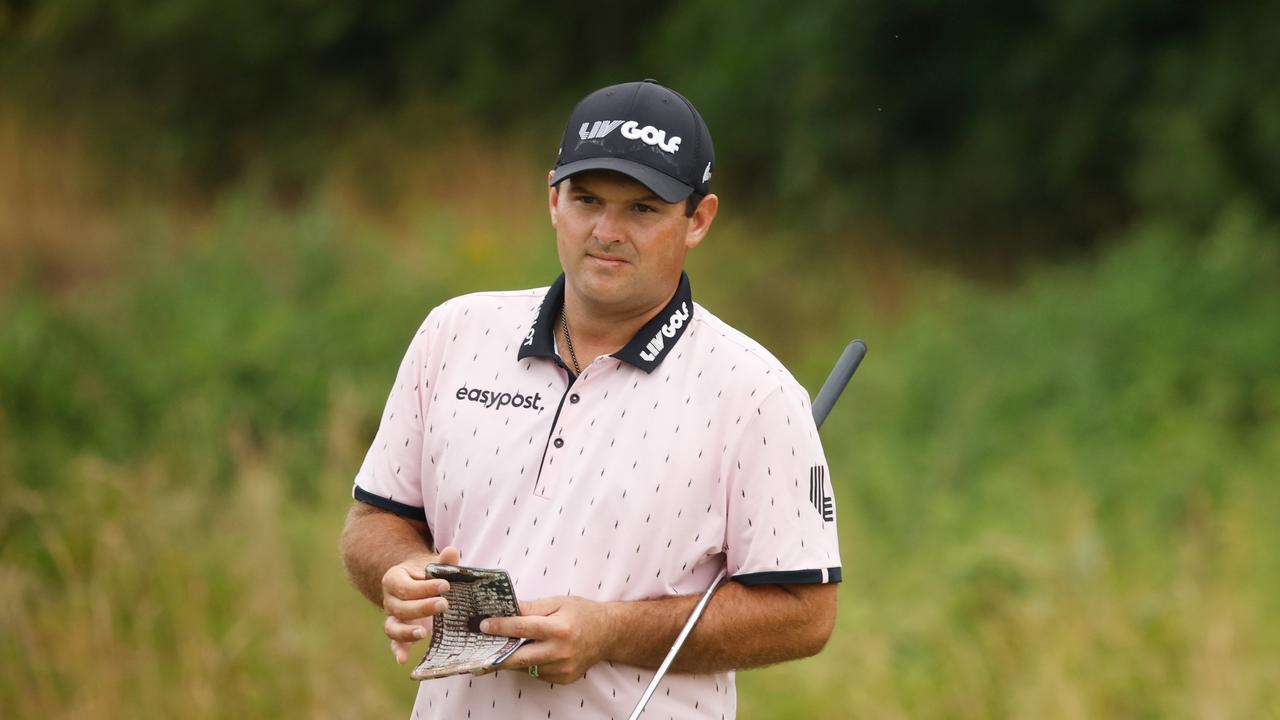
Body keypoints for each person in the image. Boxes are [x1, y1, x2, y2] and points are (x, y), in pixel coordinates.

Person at [340, 79, 841, 719]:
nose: (607, 230)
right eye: (587, 200)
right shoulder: (454, 334)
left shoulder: (757, 393)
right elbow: (374, 522)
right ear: (554, 199)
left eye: (643, 209)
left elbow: (806, 615)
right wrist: (403, 572)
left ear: (699, 219)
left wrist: (610, 631)